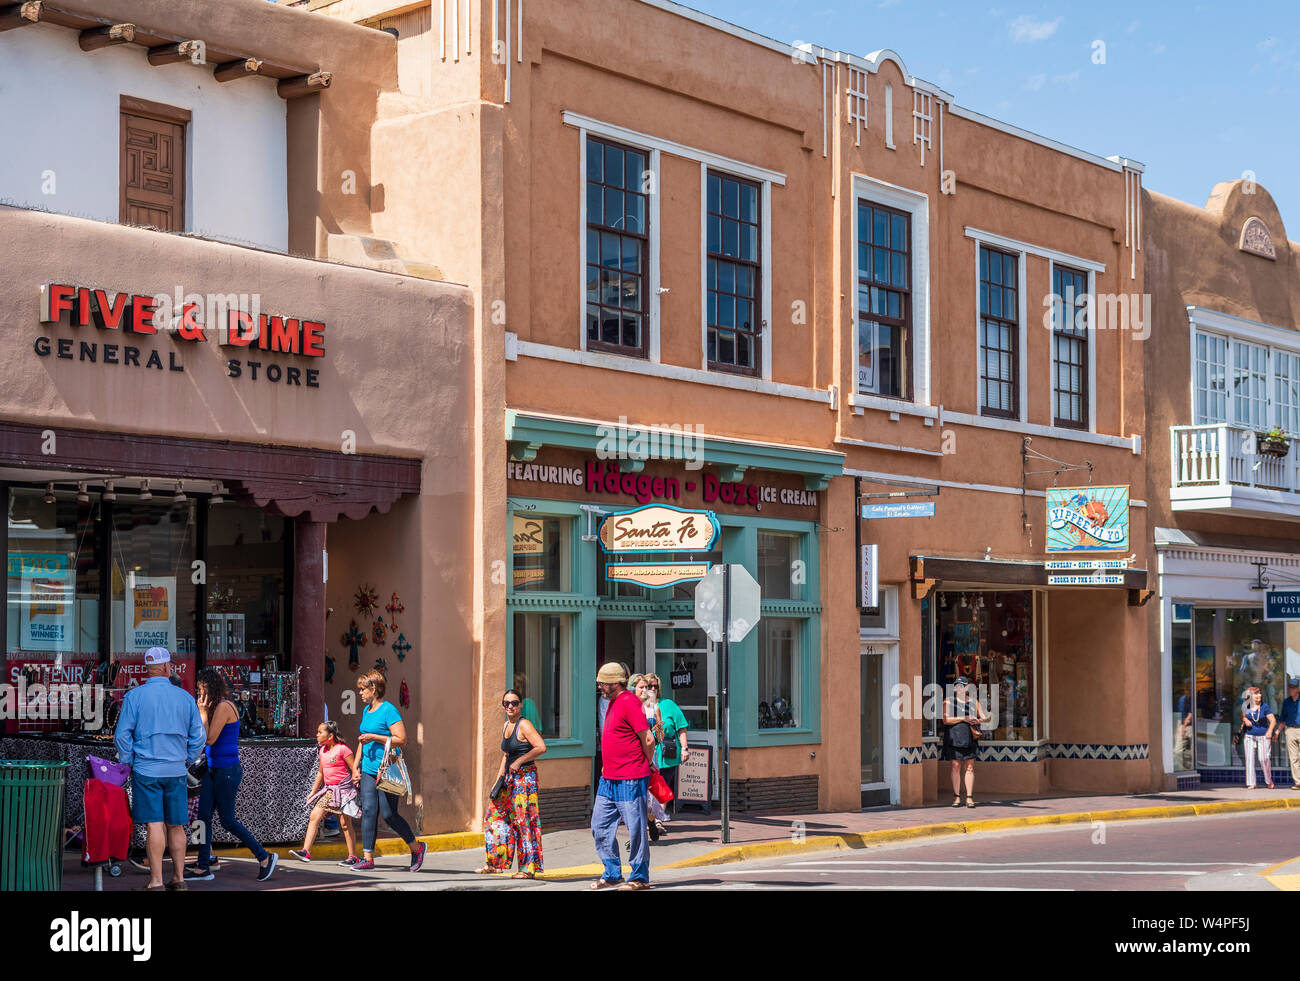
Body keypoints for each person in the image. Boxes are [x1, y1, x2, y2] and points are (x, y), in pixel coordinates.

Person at [114, 647, 206, 891]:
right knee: (176, 825)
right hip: (175, 771)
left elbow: (122, 735)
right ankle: (179, 879)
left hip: (146, 770)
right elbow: (199, 737)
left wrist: (128, 759)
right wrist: (186, 757)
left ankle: (155, 882)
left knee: (154, 824)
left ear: (147, 669)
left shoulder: (135, 696)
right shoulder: (185, 697)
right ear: (167, 667)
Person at [186, 668, 277, 883]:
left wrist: (202, 712)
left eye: (201, 690)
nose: (200, 695)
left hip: (226, 771)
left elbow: (208, 739)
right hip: (212, 770)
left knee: (227, 820)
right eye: (198, 691)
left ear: (210, 689)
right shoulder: (215, 706)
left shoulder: (224, 707)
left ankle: (264, 857)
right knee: (202, 816)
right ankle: (203, 865)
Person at [590, 661, 655, 891]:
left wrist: (646, 764)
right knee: (599, 825)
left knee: (636, 828)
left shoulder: (628, 701)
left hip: (630, 777)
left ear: (615, 683)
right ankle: (612, 872)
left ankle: (639, 876)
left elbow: (648, 739)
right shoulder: (611, 702)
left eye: (603, 683)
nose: (600, 687)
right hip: (609, 778)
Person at [352, 669, 426, 871]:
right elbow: (361, 741)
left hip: (386, 770)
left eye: (362, 689)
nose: (360, 693)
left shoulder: (389, 710)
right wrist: (355, 766)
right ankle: (368, 858)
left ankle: (416, 848)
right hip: (367, 769)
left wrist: (375, 737)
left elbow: (401, 740)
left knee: (389, 814)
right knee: (368, 810)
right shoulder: (367, 712)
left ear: (373, 689)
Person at [477, 689, 547, 877]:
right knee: (494, 817)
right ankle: (495, 863)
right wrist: (498, 780)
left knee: (523, 822)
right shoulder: (507, 725)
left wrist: (519, 761)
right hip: (509, 780)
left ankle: (528, 869)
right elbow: (506, 755)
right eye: (506, 703)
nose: (510, 706)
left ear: (521, 704)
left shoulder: (524, 725)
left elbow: (541, 747)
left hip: (525, 779)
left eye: (514, 703)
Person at [290, 721, 359, 864]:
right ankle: (305, 851)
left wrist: (357, 779)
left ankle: (353, 856)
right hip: (329, 791)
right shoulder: (322, 751)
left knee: (345, 824)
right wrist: (313, 792)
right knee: (314, 817)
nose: (317, 734)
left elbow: (354, 769)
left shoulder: (343, 749)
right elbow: (320, 773)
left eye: (320, 732)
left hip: (344, 791)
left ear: (330, 736)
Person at [647, 673, 689, 824]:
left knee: (662, 785)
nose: (652, 688)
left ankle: (659, 819)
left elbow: (681, 727)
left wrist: (684, 748)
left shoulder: (668, 704)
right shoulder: (640, 705)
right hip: (648, 753)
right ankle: (651, 817)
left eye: (655, 686)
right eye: (649, 686)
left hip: (667, 752)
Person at [942, 677, 987, 808]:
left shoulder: (974, 702)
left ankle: (969, 797)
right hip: (954, 737)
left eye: (962, 685)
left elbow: (984, 717)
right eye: (957, 685)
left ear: (967, 688)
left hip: (969, 737)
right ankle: (956, 797)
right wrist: (964, 718)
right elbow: (945, 720)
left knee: (970, 767)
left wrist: (977, 720)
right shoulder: (948, 701)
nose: (959, 688)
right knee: (955, 766)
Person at [634, 675, 669, 840]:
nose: (649, 690)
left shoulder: (653, 708)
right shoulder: (632, 707)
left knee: (650, 793)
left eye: (650, 687)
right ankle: (638, 833)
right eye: (645, 687)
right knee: (636, 794)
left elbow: (660, 737)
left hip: (649, 753)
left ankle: (651, 820)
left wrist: (657, 729)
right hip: (634, 754)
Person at [1241, 685, 1276, 790]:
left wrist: (1270, 731)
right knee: (1249, 759)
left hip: (1263, 736)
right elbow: (1243, 715)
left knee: (1263, 758)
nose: (1259, 695)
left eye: (1259, 693)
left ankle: (1268, 780)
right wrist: (1245, 720)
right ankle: (1251, 783)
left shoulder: (1264, 706)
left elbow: (1273, 720)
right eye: (1256, 694)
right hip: (1249, 736)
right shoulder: (1245, 705)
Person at [1279, 678, 1300, 790]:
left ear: (1298, 688)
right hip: (1290, 730)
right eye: (1290, 687)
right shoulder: (1286, 702)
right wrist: (1277, 731)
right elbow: (1282, 719)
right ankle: (1298, 782)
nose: (1291, 689)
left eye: (1293, 687)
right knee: (1294, 758)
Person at [1174, 686, 1193, 772]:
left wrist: (1183, 727)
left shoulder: (1193, 699)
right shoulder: (1182, 700)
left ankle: (1190, 768)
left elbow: (1191, 714)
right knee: (1177, 751)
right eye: (1186, 689)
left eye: (1189, 689)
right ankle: (1184, 768)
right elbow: (1179, 714)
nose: (1187, 691)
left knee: (1192, 751)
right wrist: (1178, 729)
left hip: (1190, 726)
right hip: (1183, 725)